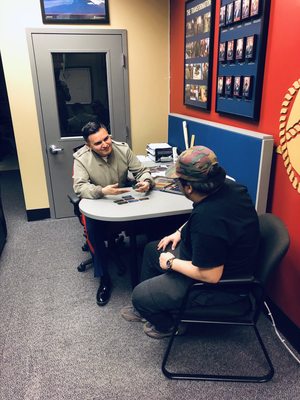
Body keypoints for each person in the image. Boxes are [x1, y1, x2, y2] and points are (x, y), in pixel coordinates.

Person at [121, 146, 260, 339]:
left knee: (139, 296)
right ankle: (151, 306)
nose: (177, 184)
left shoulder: (208, 218)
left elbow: (211, 275)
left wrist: (171, 263)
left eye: (178, 181)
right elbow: (203, 219)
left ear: (189, 187)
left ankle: (169, 326)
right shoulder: (232, 189)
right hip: (211, 257)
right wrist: (180, 231)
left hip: (219, 286)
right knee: (153, 249)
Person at [73, 122, 154, 306]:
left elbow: (141, 171)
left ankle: (151, 272)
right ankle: (104, 279)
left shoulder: (122, 149)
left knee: (152, 221)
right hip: (99, 202)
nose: (105, 144)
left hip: (124, 200)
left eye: (106, 138)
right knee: (94, 232)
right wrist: (101, 191)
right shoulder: (81, 158)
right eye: (98, 143)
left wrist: (146, 182)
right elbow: (79, 187)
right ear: (88, 146)